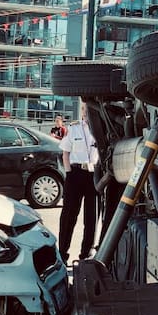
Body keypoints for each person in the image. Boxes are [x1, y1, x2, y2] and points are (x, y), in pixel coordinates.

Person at [57, 102, 99, 263]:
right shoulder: (74, 128)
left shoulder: (99, 129)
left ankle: (85, 254)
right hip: (75, 174)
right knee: (69, 216)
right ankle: (62, 254)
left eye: (88, 110)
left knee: (91, 217)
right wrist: (68, 172)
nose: (86, 113)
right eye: (83, 110)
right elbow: (65, 153)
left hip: (93, 175)